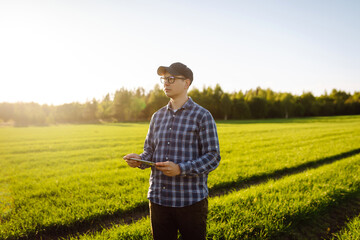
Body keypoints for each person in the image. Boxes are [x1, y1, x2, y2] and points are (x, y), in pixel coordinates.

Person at [124, 62, 221, 240]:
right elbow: (150, 151)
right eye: (163, 79)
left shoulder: (202, 116)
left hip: (190, 202)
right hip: (159, 200)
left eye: (171, 79)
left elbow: (213, 157)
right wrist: (140, 159)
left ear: (187, 83)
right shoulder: (157, 116)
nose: (165, 83)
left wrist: (180, 169)